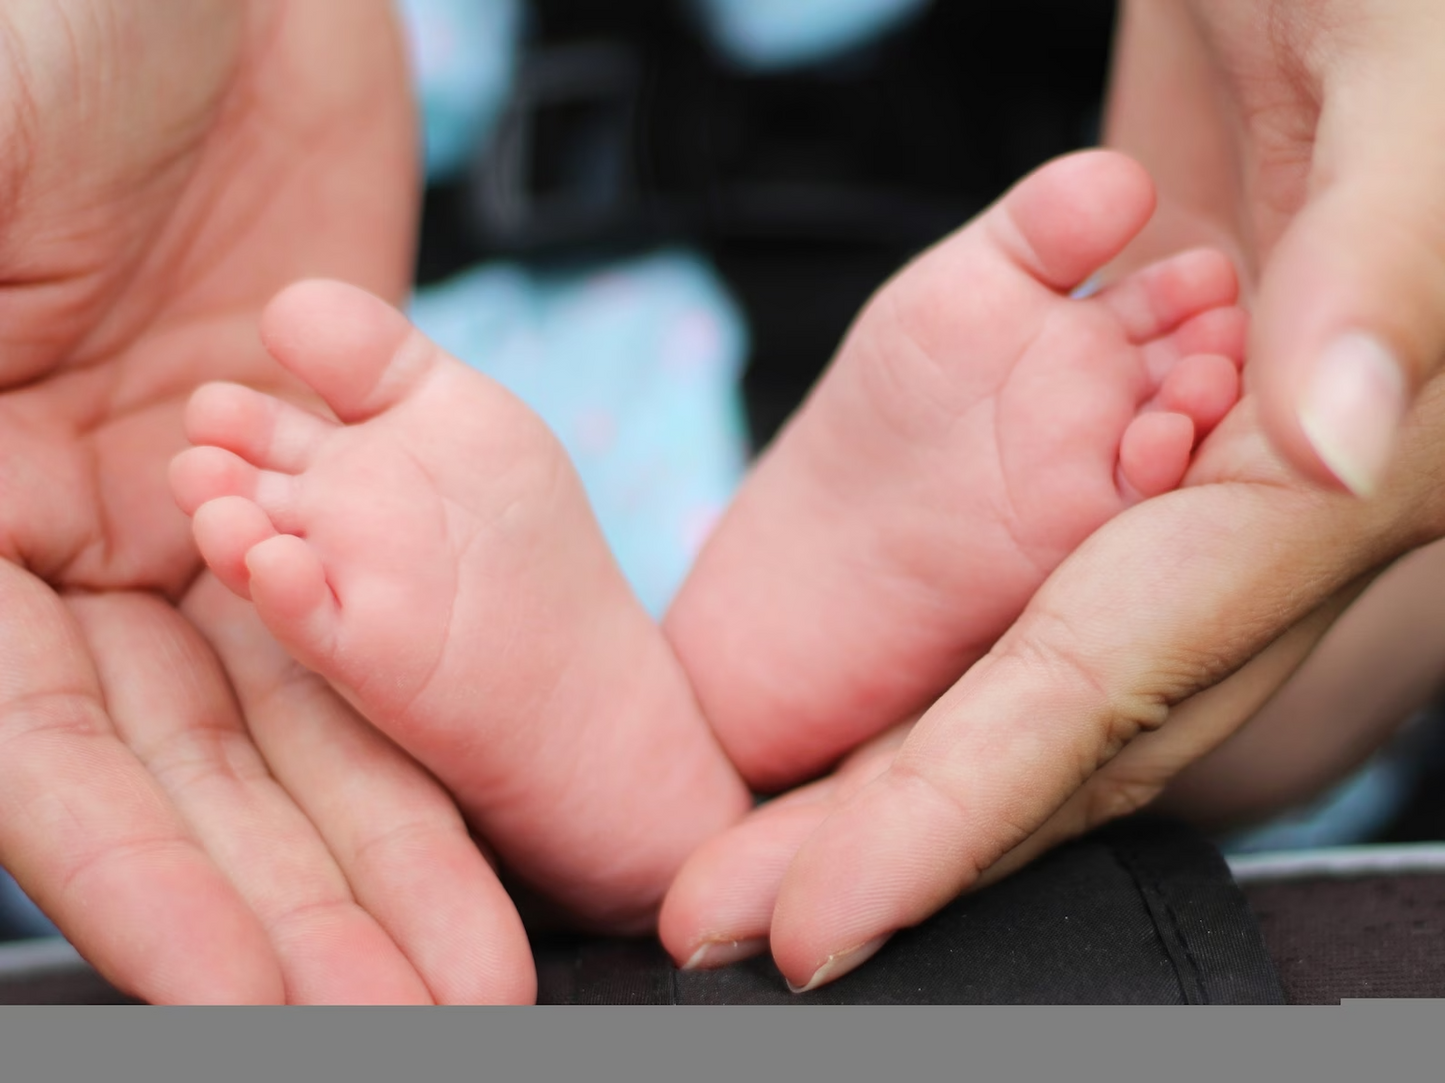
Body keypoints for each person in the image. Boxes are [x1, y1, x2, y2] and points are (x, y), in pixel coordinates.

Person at [2, 0, 1444, 1002]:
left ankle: (610, 719)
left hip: (489, 392)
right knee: (1270, 515)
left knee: (1297, 482)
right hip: (684, 371)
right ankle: (666, 702)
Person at [166, 151, 1243, 936]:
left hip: (498, 373)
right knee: (1221, 610)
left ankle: (619, 740)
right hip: (730, 348)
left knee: (343, 651)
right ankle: (672, 702)